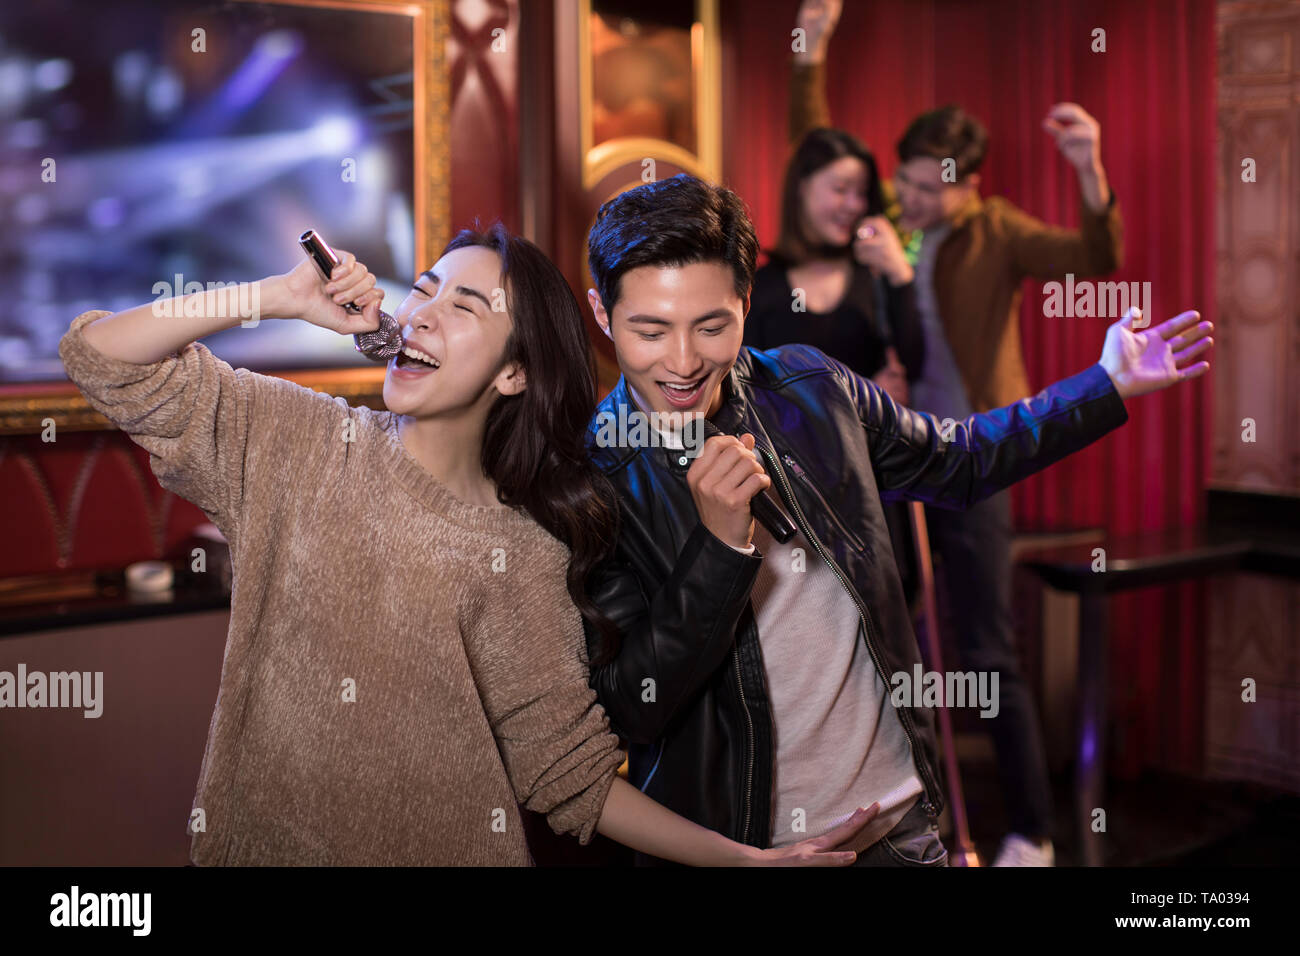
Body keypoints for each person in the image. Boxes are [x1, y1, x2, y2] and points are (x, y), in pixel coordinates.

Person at [58, 222, 879, 866]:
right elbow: (99, 357)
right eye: (422, 292)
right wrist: (278, 295)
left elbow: (569, 774)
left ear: (514, 374)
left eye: (465, 307)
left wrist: (738, 861)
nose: (421, 313)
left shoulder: (526, 549)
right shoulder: (295, 440)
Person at [580, 173, 1210, 867]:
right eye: (649, 330)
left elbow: (959, 459)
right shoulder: (586, 480)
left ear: (746, 302)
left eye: (711, 325)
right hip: (742, 853)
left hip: (897, 826)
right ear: (603, 316)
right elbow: (631, 708)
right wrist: (720, 553)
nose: (683, 361)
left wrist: (1106, 383)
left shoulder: (812, 389)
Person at [791, 0, 1126, 865]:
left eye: (926, 190)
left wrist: (1090, 166)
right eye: (902, 185)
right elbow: (817, 148)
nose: (908, 200)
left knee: (986, 649)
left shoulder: (997, 229)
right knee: (875, 632)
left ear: (969, 184)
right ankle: (900, 818)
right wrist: (812, 51)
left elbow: (1097, 255)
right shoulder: (892, 229)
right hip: (896, 461)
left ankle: (1034, 832)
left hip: (974, 461)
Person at [743, 126, 924, 606]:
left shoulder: (875, 277)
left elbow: (917, 362)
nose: (852, 204)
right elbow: (751, 393)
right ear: (802, 188)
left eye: (861, 193)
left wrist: (901, 274)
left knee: (892, 609)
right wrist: (861, 389)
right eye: (839, 189)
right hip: (797, 484)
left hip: (876, 480)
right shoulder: (764, 288)